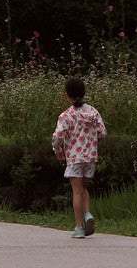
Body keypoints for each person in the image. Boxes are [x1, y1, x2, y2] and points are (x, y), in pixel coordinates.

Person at [52, 76, 106, 238]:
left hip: (75, 158)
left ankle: (79, 227)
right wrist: (92, 141)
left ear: (67, 95)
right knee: (84, 188)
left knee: (76, 191)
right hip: (90, 157)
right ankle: (88, 214)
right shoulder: (92, 112)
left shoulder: (66, 116)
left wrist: (60, 154)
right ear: (83, 93)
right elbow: (102, 132)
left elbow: (58, 138)